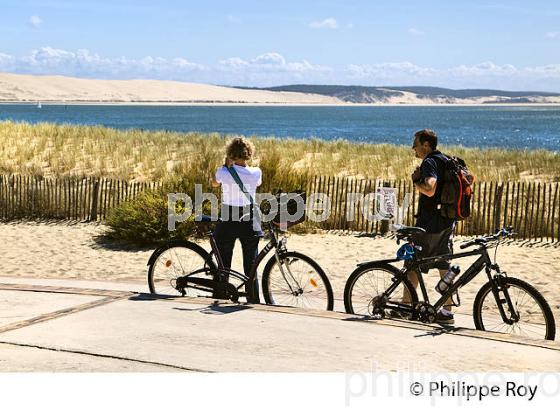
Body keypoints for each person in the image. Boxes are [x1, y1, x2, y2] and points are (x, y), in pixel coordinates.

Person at [405, 129, 457, 324]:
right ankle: (446, 312)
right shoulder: (446, 159)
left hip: (429, 224)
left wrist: (417, 180)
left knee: (413, 263)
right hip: (447, 221)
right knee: (444, 265)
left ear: (426, 145)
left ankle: (406, 306)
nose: (413, 148)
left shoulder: (430, 162)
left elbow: (430, 188)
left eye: (416, 144)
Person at [210, 137, 263, 302]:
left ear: (231, 153)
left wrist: (226, 166)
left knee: (224, 262)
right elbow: (257, 184)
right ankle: (253, 299)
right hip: (249, 218)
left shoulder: (224, 172)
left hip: (228, 217)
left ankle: (221, 295)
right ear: (249, 153)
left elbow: (214, 184)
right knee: (251, 264)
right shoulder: (256, 172)